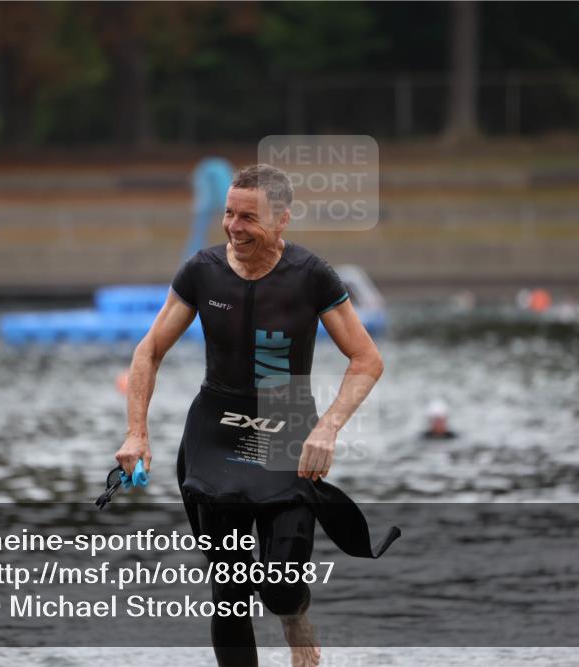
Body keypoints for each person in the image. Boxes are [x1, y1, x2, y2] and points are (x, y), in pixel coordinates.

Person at [114, 164, 395, 667]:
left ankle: (295, 616)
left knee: (280, 590)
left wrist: (328, 427)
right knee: (230, 591)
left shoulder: (311, 276)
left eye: (249, 218)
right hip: (216, 427)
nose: (234, 227)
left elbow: (367, 358)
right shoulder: (201, 271)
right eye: (228, 213)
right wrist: (136, 433)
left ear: (282, 220)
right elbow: (149, 350)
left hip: (286, 420)